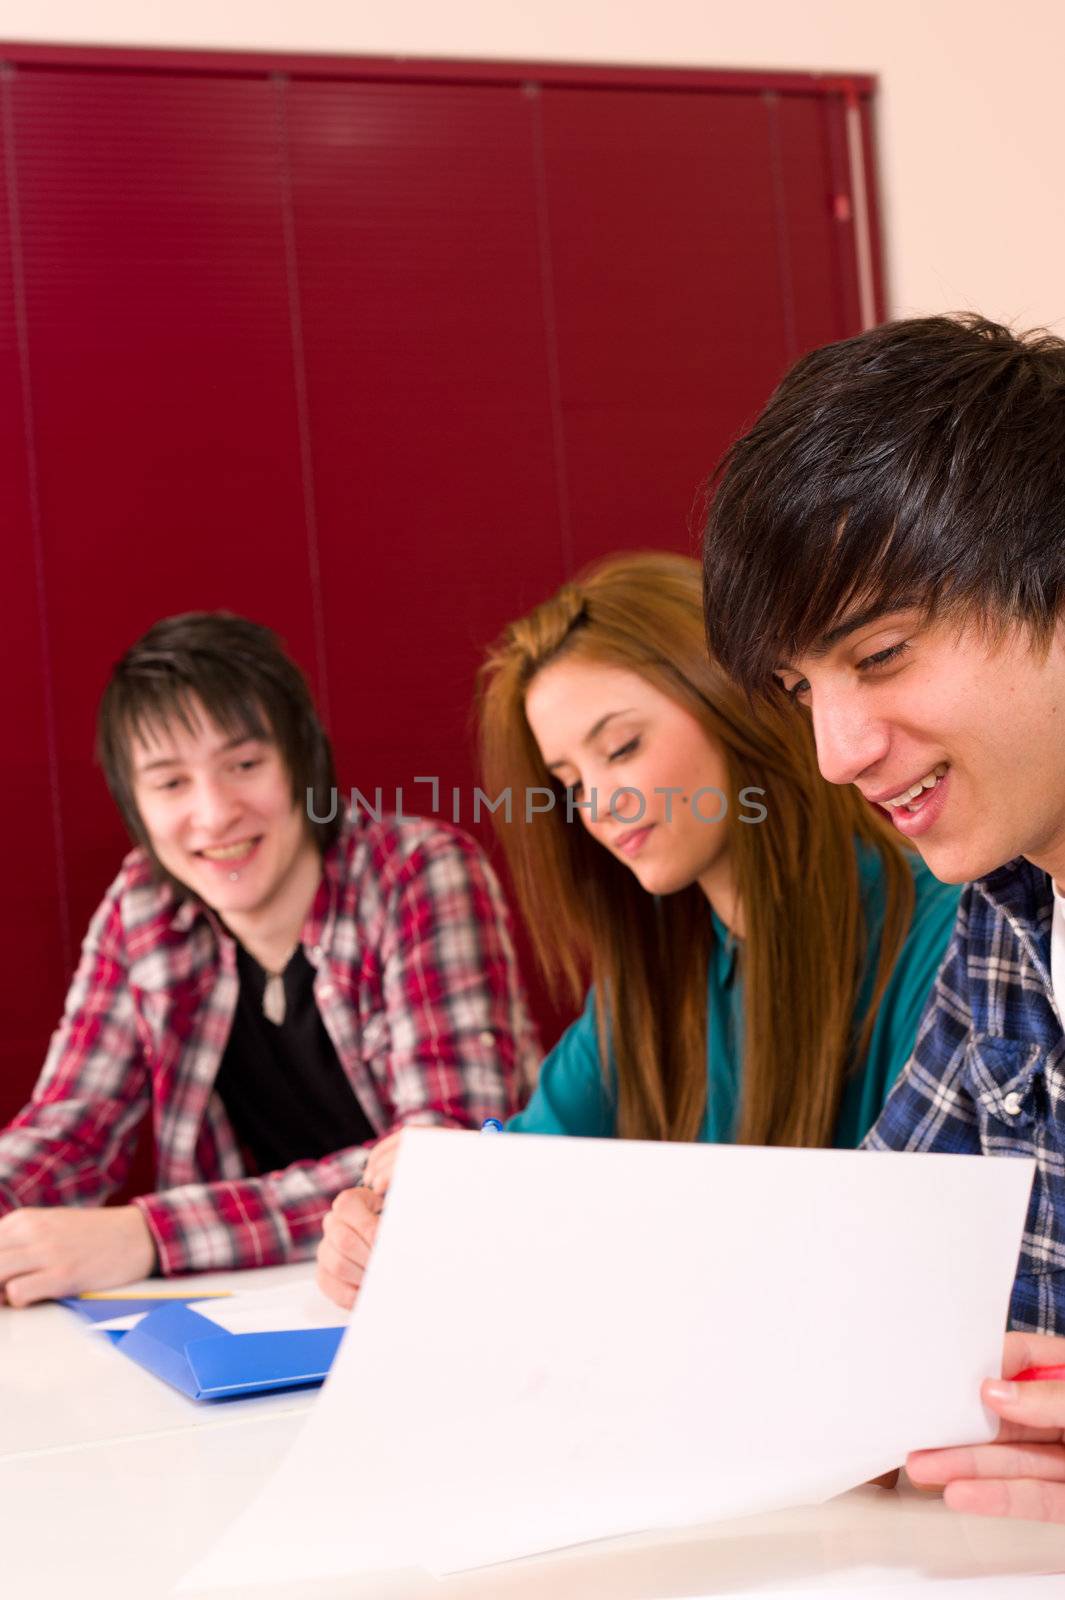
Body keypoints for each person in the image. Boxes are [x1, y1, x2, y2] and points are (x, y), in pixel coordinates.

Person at [315, 552, 959, 1308]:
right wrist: (396, 1220)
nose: (599, 805)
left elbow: (901, 1257)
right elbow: (524, 1168)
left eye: (620, 748)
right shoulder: (650, 978)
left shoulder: (941, 927)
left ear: (738, 703)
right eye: (571, 784)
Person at [700, 312, 1065, 1521]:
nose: (837, 751)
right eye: (807, 690)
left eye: (886, 652)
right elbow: (863, 1265)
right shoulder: (1004, 911)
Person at [0, 612, 538, 1305]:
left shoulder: (417, 873)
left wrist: (149, 1234)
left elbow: (443, 1153)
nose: (215, 813)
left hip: (446, 1291)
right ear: (135, 805)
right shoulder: (145, 905)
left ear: (302, 759)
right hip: (259, 1300)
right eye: (170, 784)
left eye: (245, 765)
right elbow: (72, 1129)